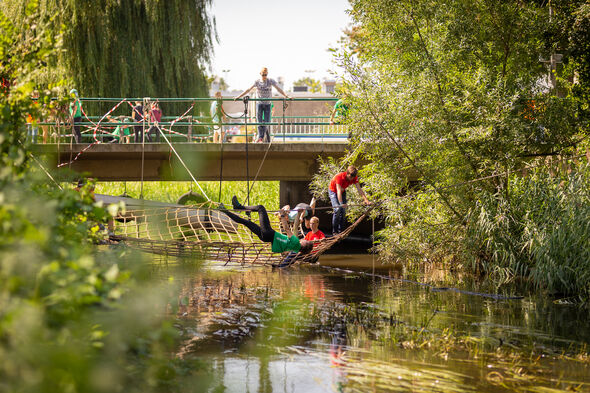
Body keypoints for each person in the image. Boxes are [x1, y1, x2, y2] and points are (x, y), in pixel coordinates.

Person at [221, 196, 314, 255]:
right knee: (245, 222)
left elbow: (287, 229)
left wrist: (282, 215)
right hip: (266, 238)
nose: (304, 239)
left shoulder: (296, 243)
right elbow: (294, 228)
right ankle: (223, 210)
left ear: (304, 244)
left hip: (269, 234)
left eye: (306, 241)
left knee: (260, 208)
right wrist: (298, 214)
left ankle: (239, 207)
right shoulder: (296, 248)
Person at [234, 67, 290, 143]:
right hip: (259, 103)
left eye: (266, 74)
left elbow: (278, 89)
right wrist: (238, 96)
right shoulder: (257, 82)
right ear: (260, 74)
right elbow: (248, 89)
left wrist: (286, 96)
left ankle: (261, 136)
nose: (264, 76)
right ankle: (260, 137)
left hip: (268, 104)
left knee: (267, 121)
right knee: (259, 121)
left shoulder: (270, 81)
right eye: (263, 74)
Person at [329, 165, 370, 234]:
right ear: (347, 173)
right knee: (337, 209)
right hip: (333, 191)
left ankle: (341, 231)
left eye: (353, 177)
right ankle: (335, 231)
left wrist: (366, 200)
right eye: (350, 177)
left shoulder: (354, 177)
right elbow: (338, 191)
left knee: (343, 211)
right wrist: (341, 203)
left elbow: (359, 189)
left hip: (342, 191)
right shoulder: (339, 177)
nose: (351, 179)